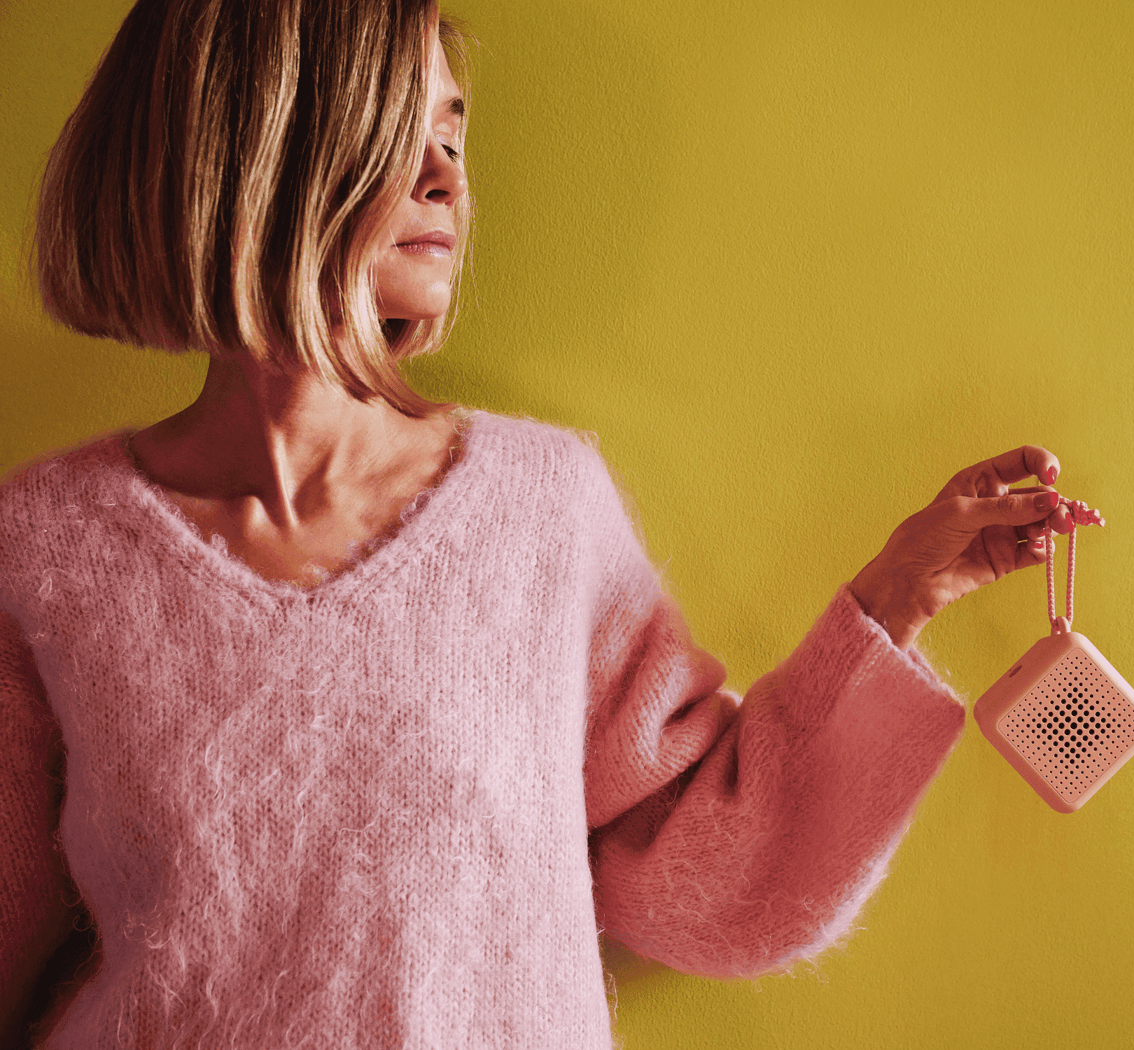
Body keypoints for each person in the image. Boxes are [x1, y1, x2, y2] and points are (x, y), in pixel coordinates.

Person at [0, 0, 1077, 1046]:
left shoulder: (536, 509)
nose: (445, 178)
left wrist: (899, 595)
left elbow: (706, 875)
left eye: (454, 137)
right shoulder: (47, 546)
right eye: (395, 131)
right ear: (250, 148)